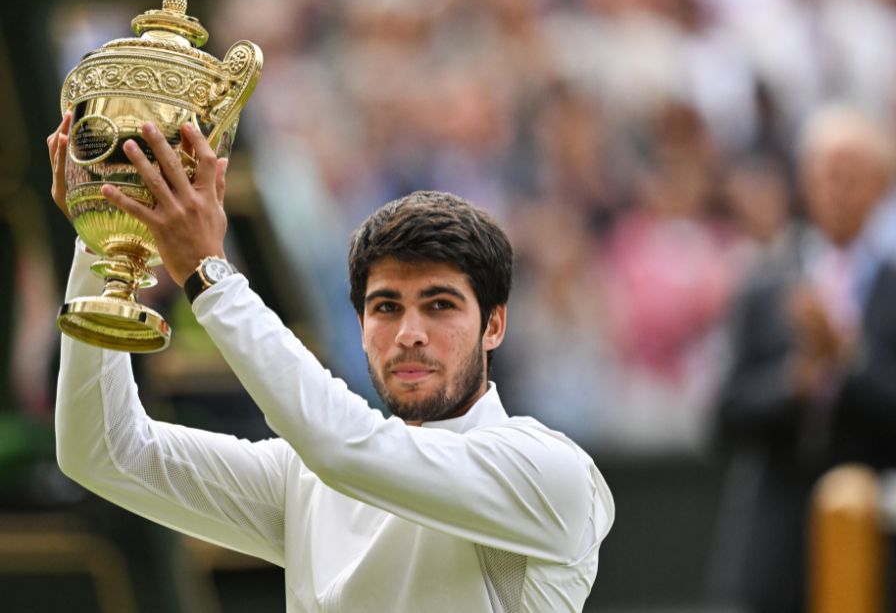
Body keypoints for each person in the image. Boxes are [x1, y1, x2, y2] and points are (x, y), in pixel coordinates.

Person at [47, 113, 615, 612]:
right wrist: (106, 232)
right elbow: (102, 449)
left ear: (494, 324)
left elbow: (346, 450)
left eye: (440, 305)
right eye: (385, 307)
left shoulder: (552, 474)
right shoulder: (309, 478)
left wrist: (209, 273)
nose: (409, 334)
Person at [708, 103, 896, 613]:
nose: (835, 188)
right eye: (824, 173)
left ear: (882, 185)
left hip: (890, 556)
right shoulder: (766, 289)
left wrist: (852, 359)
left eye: (850, 175)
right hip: (776, 556)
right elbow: (725, 416)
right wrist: (795, 382)